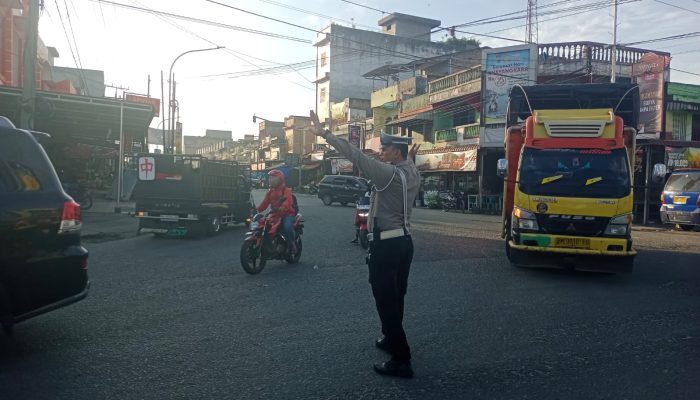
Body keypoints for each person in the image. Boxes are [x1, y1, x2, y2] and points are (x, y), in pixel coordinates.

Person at [309, 110, 420, 379]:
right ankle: (390, 338)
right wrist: (411, 156)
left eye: (384, 149)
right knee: (396, 297)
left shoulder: (388, 175)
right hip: (405, 243)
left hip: (388, 245)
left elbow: (355, 155)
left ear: (396, 152)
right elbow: (406, 163)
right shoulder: (412, 171)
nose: (380, 152)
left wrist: (325, 134)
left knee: (385, 300)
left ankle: (401, 358)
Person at [256, 169, 297, 255]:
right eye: (270, 178)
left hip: (287, 214)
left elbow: (287, 203)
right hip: (275, 215)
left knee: (287, 226)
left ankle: (292, 244)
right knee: (263, 225)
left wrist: (281, 208)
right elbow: (264, 203)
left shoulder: (286, 190)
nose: (270, 180)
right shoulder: (270, 192)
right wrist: (256, 210)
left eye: (273, 178)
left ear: (280, 179)